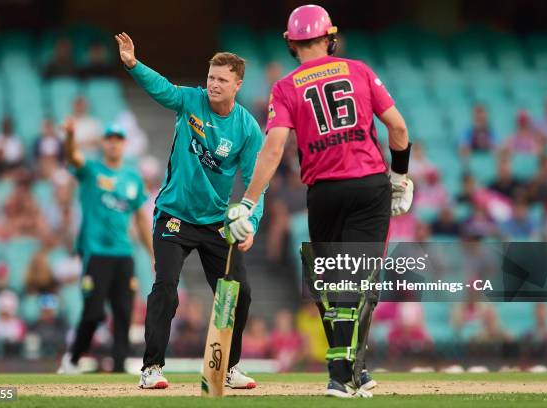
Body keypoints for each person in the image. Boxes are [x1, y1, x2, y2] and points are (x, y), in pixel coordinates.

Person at [223, 5, 412, 398]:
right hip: (367, 185)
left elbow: (273, 150)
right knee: (359, 280)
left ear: (291, 43)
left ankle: (353, 369)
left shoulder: (285, 86)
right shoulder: (358, 70)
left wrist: (247, 202)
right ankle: (341, 373)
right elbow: (397, 128)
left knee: (328, 282)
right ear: (329, 37)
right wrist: (400, 175)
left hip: (323, 191)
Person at [115, 32, 265, 389]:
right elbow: (163, 89)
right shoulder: (190, 101)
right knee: (165, 287)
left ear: (237, 84)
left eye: (222, 80)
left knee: (238, 294)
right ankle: (151, 369)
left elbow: (257, 181)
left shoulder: (247, 128)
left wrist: (252, 222)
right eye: (211, 77)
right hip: (174, 216)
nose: (213, 84)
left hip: (216, 223)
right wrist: (134, 64)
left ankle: (228, 368)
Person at [56, 120, 154, 374]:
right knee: (94, 313)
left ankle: (120, 369)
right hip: (96, 253)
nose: (113, 143)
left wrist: (153, 254)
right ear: (103, 143)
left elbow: (141, 219)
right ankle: (73, 359)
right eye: (109, 138)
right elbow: (73, 157)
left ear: (124, 144)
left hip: (124, 254)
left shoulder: (132, 178)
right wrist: (69, 137)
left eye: (118, 139)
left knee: (123, 314)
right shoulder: (91, 170)